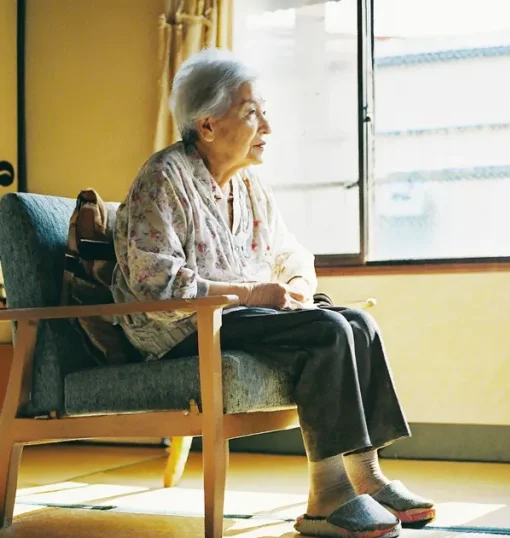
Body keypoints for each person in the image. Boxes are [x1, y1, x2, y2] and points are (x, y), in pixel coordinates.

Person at [110, 48, 433, 537]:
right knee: (326, 331)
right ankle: (327, 497)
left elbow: (289, 251)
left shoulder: (250, 184)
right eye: (251, 113)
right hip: (182, 327)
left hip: (243, 316)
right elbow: (156, 284)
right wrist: (250, 294)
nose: (267, 126)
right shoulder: (163, 178)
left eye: (264, 111)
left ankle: (367, 478)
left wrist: (297, 283)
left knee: (358, 323)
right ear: (207, 125)